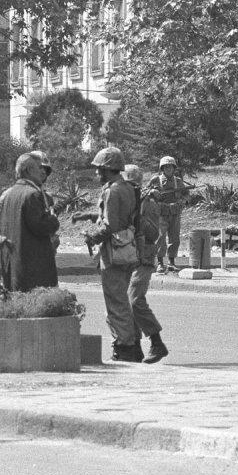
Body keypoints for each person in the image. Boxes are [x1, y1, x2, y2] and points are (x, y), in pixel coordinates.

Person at [80, 147, 142, 362]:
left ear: (108, 169)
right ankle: (132, 343)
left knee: (115, 303)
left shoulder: (112, 191)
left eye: (99, 170)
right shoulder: (126, 188)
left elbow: (110, 226)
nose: (97, 174)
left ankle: (124, 347)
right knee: (122, 300)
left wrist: (91, 236)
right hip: (126, 249)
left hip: (113, 252)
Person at [123, 165, 169, 364]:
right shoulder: (125, 201)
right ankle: (134, 348)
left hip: (143, 258)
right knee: (125, 303)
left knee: (135, 300)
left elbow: (153, 233)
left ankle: (157, 342)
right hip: (126, 258)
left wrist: (136, 218)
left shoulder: (147, 202)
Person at [0, 152, 60, 292]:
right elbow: (41, 226)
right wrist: (53, 219)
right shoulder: (32, 194)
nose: (43, 171)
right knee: (37, 305)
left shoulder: (11, 193)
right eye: (39, 167)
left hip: (15, 261)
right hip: (32, 265)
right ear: (28, 170)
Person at [146, 156, 188, 274]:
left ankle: (171, 263)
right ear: (162, 168)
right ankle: (160, 263)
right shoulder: (155, 180)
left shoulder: (178, 181)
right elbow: (143, 192)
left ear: (174, 168)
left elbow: (186, 195)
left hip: (175, 212)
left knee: (174, 238)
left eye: (170, 167)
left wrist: (182, 201)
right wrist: (152, 191)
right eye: (166, 167)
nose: (168, 169)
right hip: (160, 213)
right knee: (160, 238)